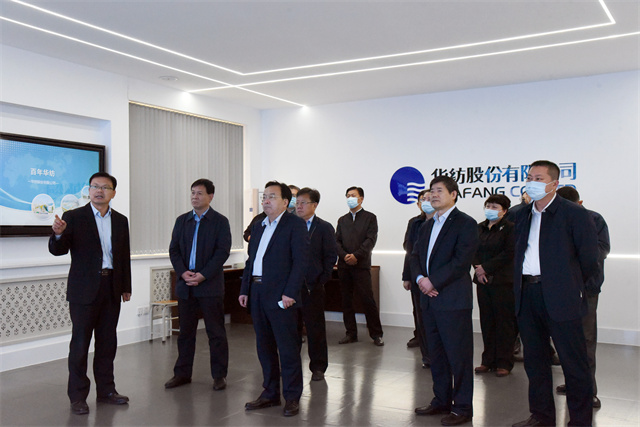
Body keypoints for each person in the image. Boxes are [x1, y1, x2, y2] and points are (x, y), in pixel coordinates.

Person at [511, 161, 598, 427]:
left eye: (538, 178)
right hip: (527, 294)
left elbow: (589, 260)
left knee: (574, 364)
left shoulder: (574, 214)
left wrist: (575, 290)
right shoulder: (521, 215)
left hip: (562, 297)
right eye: (529, 177)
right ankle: (541, 416)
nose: (532, 182)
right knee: (535, 362)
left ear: (554, 184)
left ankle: (580, 421)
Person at [49, 172, 131, 415]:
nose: (99, 191)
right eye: (95, 186)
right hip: (83, 290)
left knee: (107, 343)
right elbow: (58, 250)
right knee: (80, 344)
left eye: (105, 187)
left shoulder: (121, 220)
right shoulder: (74, 217)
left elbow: (123, 255)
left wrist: (125, 286)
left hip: (111, 287)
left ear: (113, 193)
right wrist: (58, 234)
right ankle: (77, 396)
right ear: (89, 190)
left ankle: (106, 391)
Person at [411, 176, 479, 426]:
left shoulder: (466, 223)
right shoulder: (427, 225)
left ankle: (462, 407)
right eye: (431, 191)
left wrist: (433, 282)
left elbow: (461, 261)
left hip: (452, 300)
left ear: (454, 194)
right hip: (428, 300)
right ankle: (441, 399)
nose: (433, 195)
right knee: (436, 355)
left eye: (439, 191)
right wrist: (420, 279)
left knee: (458, 357)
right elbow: (414, 255)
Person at [239, 181, 309, 417]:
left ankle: (292, 396)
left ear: (285, 202)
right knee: (264, 347)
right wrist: (245, 289)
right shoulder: (259, 225)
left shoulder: (295, 225)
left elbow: (300, 262)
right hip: (258, 292)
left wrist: (290, 292)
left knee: (287, 348)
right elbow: (251, 261)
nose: (266, 201)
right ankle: (270, 393)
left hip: (282, 296)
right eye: (264, 197)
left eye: (271, 197)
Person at [164, 179, 232, 391]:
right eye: (192, 192)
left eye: (199, 193)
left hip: (209, 285)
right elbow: (174, 250)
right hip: (186, 284)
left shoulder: (220, 222)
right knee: (185, 333)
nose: (194, 196)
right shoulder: (182, 220)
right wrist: (182, 272)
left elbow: (222, 252)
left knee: (216, 333)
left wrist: (203, 275)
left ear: (210, 196)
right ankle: (182, 374)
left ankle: (219, 375)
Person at [555, 186, 610, 409]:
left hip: (586, 289)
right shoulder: (553, 220)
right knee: (563, 341)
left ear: (580, 203)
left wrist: (573, 258)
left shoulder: (594, 219)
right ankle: (572, 382)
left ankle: (588, 391)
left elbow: (601, 250)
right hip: (559, 289)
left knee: (585, 341)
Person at [295, 187, 337, 381]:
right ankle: (292, 365)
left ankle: (318, 367)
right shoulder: (290, 225)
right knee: (291, 329)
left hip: (313, 286)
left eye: (303, 203)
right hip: (291, 287)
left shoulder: (324, 227)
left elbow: (330, 256)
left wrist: (322, 278)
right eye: (297, 202)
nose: (299, 206)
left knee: (315, 328)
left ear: (315, 205)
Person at [472, 194, 516, 378]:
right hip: (482, 281)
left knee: (504, 323)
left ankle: (504, 362)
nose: (490, 209)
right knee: (487, 321)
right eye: (488, 205)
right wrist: (478, 269)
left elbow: (509, 253)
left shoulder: (510, 228)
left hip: (503, 281)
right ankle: (487, 360)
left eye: (495, 207)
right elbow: (471, 249)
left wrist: (486, 268)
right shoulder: (479, 227)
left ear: (504, 211)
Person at [335, 186, 384, 346]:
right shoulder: (342, 220)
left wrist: (356, 255)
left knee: (367, 299)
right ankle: (351, 333)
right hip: (344, 266)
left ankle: (376, 334)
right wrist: (344, 256)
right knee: (346, 301)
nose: (350, 198)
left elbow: (370, 240)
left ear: (361, 199)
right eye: (348, 196)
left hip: (361, 265)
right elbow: (336, 241)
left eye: (353, 195)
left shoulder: (370, 218)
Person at [402, 189, 434, 367]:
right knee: (420, 317)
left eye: (430, 198)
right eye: (423, 199)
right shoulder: (414, 223)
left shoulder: (443, 222)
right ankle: (427, 356)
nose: (426, 202)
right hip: (417, 276)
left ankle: (438, 355)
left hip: (436, 280)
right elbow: (409, 250)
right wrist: (407, 276)